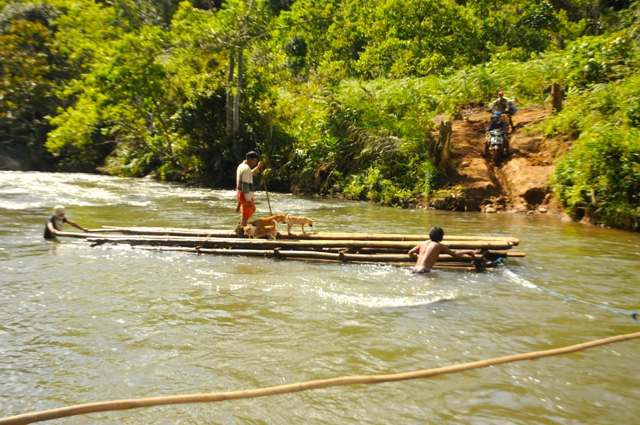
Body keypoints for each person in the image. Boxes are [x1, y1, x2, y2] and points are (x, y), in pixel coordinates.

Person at [408, 226, 476, 274]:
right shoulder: (439, 246)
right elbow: (455, 254)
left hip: (414, 270)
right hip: (424, 272)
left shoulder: (423, 243)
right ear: (441, 236)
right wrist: (468, 251)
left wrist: (415, 256)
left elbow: (410, 252)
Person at [236, 151, 264, 227]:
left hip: (240, 193)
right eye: (254, 160)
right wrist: (248, 200)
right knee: (246, 216)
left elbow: (249, 175)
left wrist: (257, 168)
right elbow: (245, 185)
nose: (255, 162)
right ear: (249, 159)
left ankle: (239, 227)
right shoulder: (246, 168)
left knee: (252, 209)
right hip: (244, 194)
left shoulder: (242, 166)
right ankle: (241, 232)